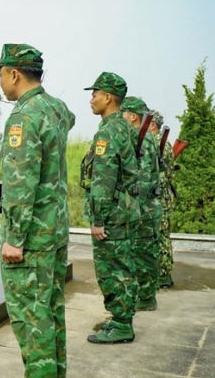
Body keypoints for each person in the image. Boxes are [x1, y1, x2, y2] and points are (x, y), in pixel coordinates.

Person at [0, 43, 75, 378]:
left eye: (1, 75)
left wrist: (13, 238)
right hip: (54, 231)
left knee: (31, 319)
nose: (1, 82)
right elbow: (70, 118)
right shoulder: (57, 108)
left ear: (14, 74)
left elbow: (20, 186)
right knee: (51, 310)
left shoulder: (24, 117)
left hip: (32, 239)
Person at [81, 72, 140, 343]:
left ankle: (122, 324)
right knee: (123, 266)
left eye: (94, 94)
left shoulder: (109, 131)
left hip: (112, 214)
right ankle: (121, 320)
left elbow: (104, 180)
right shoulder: (124, 127)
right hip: (124, 209)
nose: (91, 99)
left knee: (112, 270)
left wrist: (97, 218)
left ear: (107, 97)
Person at [120, 97, 162, 311]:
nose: (120, 117)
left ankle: (146, 298)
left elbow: (143, 180)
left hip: (144, 208)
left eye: (123, 113)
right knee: (146, 252)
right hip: (150, 206)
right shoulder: (149, 138)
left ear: (133, 116)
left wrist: (133, 207)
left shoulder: (140, 139)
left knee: (143, 254)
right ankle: (146, 295)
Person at [149, 110, 176, 288]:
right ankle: (163, 273)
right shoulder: (163, 142)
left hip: (159, 196)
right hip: (165, 195)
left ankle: (163, 275)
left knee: (160, 236)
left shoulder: (156, 141)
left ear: (152, 124)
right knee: (162, 235)